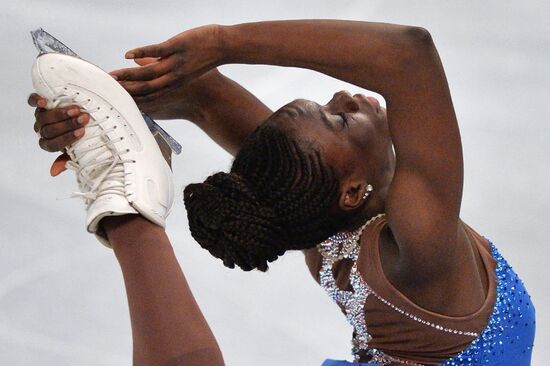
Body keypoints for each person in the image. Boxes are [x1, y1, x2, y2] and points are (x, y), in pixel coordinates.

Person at [29, 20, 535, 365]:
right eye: (341, 118)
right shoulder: (422, 251)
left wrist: (92, 110)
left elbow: (203, 99)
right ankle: (128, 210)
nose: (344, 95)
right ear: (354, 189)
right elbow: (409, 56)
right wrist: (227, 42)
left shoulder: (315, 215)